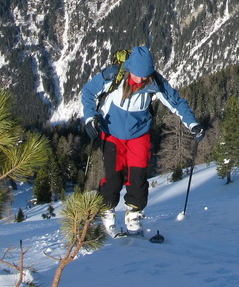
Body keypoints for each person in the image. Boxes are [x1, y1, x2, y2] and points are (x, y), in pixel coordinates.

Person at [82, 45, 205, 234]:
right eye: (138, 75)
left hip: (139, 134)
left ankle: (134, 214)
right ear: (130, 68)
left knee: (138, 177)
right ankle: (107, 210)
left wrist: (193, 124)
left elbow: (177, 102)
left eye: (145, 76)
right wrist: (90, 118)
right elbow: (88, 92)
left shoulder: (154, 81)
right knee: (113, 178)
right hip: (112, 132)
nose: (141, 80)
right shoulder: (113, 75)